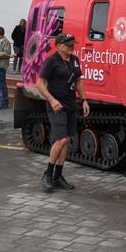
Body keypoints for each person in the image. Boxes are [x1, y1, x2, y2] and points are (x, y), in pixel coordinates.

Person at [35, 34, 90, 191]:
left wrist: (84, 100)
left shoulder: (74, 60)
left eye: (72, 44)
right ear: (58, 45)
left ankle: (58, 177)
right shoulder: (51, 61)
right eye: (67, 45)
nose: (71, 47)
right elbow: (39, 84)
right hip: (56, 106)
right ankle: (48, 173)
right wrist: (52, 100)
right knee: (60, 140)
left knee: (67, 140)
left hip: (71, 105)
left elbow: (79, 80)